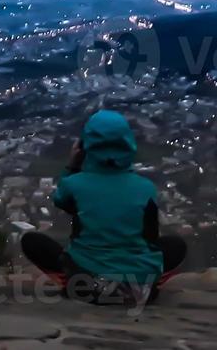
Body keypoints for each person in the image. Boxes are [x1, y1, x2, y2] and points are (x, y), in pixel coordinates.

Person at [20, 109, 187, 300]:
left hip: (86, 279)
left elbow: (61, 201)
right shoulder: (146, 188)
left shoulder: (74, 184)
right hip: (139, 282)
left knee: (32, 241)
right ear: (128, 143)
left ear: (85, 146)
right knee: (175, 245)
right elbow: (150, 238)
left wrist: (73, 165)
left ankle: (82, 283)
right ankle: (141, 284)